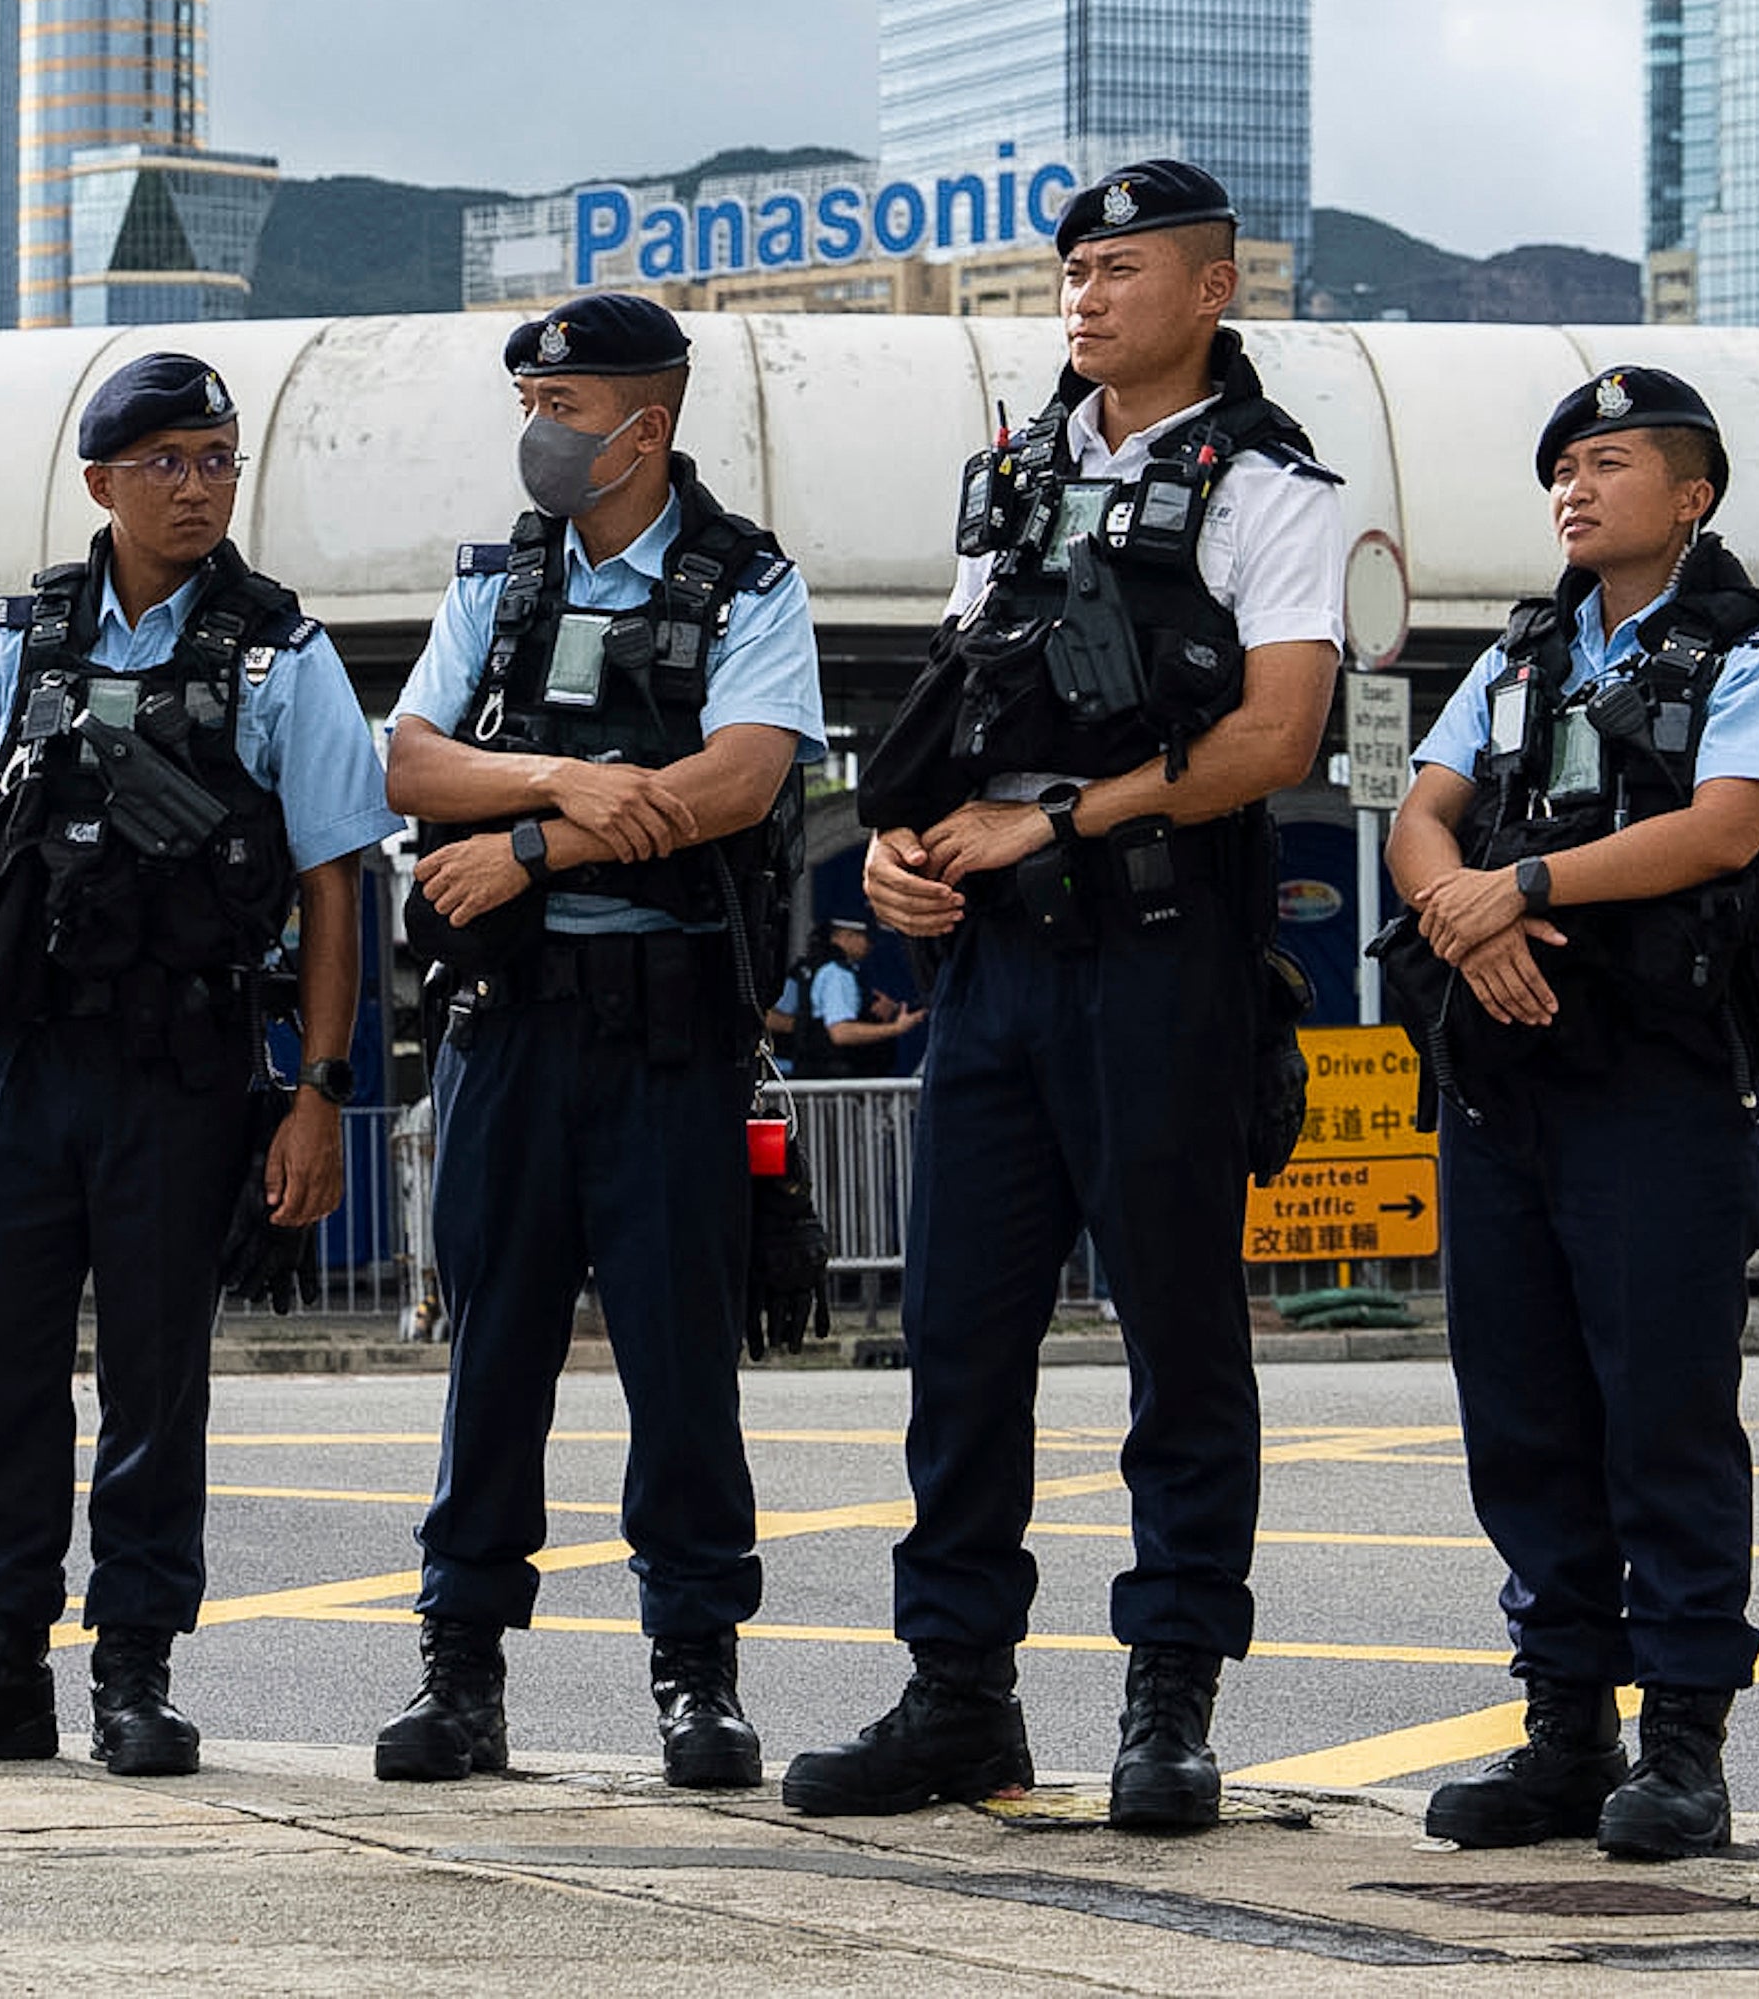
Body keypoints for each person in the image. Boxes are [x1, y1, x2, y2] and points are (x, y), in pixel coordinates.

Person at [790, 158, 1343, 1834]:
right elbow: (956, 709)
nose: (1085, 295)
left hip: (1164, 960)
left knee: (1178, 1336)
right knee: (956, 1340)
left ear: (1212, 289)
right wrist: (898, 854)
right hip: (998, 969)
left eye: (1119, 268)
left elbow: (1279, 736)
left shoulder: (1270, 484)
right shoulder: (1012, 480)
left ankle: (1171, 1693)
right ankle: (958, 1687)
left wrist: (1066, 812)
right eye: (1073, 271)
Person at [0, 352, 393, 1781]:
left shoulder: (283, 652)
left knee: (158, 1378)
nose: (200, 484)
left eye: (219, 458)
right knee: (4, 1369)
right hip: (23, 1053)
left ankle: (136, 1668)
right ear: (101, 481)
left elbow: (337, 881)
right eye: (168, 460)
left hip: (184, 1062)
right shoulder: (21, 640)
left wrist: (322, 1091)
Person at [379, 290, 825, 1792]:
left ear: (649, 422)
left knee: (681, 1370)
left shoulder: (746, 580)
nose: (538, 433)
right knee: (489, 1360)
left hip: (668, 1040)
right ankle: (461, 1671)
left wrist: (530, 848)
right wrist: (572, 780)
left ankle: (697, 1671)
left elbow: (742, 778)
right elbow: (409, 757)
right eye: (527, 402)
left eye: (564, 410)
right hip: (506, 1028)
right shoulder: (498, 582)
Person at [1381, 363, 1759, 1862]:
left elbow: (1726, 820)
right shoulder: (1518, 649)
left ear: (1690, 494)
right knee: (1522, 1415)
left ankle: (1683, 1741)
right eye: (1562, 463)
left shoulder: (1749, 643)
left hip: (1663, 1085)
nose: (1574, 483)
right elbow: (1420, 807)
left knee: (1666, 1416)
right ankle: (1568, 1726)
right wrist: (1462, 910)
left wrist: (1532, 884)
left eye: (1609, 460)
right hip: (1507, 1087)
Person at [801, 918, 921, 1077]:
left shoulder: (822, 969)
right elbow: (841, 1032)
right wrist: (896, 1028)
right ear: (844, 937)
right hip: (837, 1083)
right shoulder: (838, 974)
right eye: (866, 937)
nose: (871, 944)